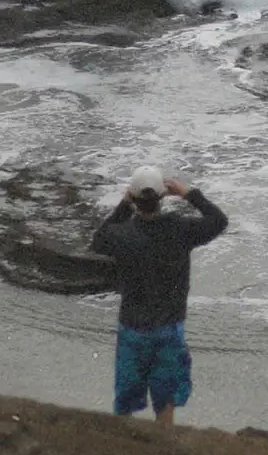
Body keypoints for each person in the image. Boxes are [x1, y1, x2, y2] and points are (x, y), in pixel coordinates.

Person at [90, 166, 228, 426]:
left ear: (134, 198)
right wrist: (189, 193)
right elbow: (219, 221)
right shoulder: (180, 229)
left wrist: (123, 205)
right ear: (163, 197)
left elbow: (98, 241)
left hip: (133, 326)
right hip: (169, 327)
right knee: (165, 399)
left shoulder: (122, 234)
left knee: (126, 399)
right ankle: (164, 447)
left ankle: (124, 447)